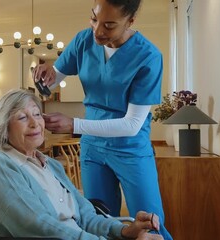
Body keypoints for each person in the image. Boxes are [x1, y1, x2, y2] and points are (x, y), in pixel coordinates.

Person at [32, 0, 172, 239]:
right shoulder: (83, 41)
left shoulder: (148, 56)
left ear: (130, 22)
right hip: (93, 150)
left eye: (109, 25)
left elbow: (131, 125)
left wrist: (73, 125)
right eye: (94, 19)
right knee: (98, 220)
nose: (98, 31)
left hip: (130, 148)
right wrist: (44, 77)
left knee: (150, 224)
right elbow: (53, 82)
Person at [0, 89, 163, 240]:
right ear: (3, 126)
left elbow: (87, 216)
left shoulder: (52, 165)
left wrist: (125, 231)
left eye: (36, 114)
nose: (35, 123)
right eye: (22, 117)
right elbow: (37, 227)